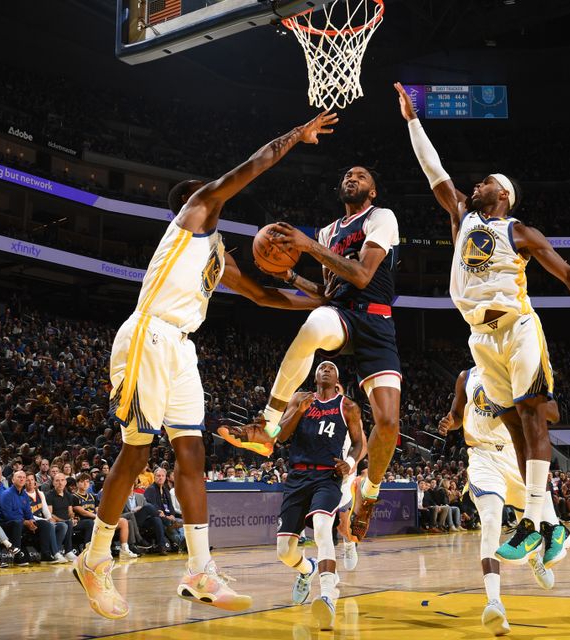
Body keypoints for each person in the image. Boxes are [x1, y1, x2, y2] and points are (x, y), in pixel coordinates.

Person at [73, 110, 337, 620]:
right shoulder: (194, 214)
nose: (216, 194)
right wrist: (295, 138)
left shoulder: (213, 252)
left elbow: (262, 295)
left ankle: (198, 570)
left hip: (181, 347)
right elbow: (253, 165)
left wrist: (322, 299)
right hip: (148, 334)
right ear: (197, 199)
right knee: (136, 453)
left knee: (192, 456)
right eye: (210, 190)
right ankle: (95, 558)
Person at [394, 82, 570, 561]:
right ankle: (549, 525)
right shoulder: (462, 217)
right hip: (479, 337)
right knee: (514, 424)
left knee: (533, 413)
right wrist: (413, 121)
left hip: (517, 326)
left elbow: (566, 271)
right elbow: (434, 170)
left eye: (483, 183)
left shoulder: (517, 231)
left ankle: (534, 521)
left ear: (502, 193)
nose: (473, 186)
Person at [254, 163, 402, 543]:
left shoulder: (381, 217)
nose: (351, 178)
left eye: (361, 176)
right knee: (316, 323)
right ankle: (267, 423)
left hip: (376, 321)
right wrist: (289, 277)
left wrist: (309, 247)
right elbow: (325, 295)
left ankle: (368, 493)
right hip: (342, 315)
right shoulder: (327, 232)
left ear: (372, 191)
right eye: (347, 175)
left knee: (387, 424)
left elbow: (363, 276)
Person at [229, 361, 365, 630]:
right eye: (322, 367)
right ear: (314, 376)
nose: (326, 369)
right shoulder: (300, 399)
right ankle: (306, 569)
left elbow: (360, 442)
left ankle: (328, 595)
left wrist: (349, 463)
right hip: (298, 476)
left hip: (328, 476)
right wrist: (298, 412)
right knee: (284, 552)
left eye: (331, 367)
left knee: (324, 528)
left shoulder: (348, 406)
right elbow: (280, 435)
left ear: (337, 377)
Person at [439, 367, 557, 636]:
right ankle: (494, 601)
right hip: (483, 456)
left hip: (516, 453)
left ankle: (532, 557)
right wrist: (450, 422)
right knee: (490, 520)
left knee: (527, 523)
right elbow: (458, 415)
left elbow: (553, 412)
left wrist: (528, 401)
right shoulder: (465, 377)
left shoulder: (516, 370)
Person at [0, 469, 57, 565]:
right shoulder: (6, 494)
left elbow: (28, 512)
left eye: (24, 477)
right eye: (19, 477)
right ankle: (18, 556)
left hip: (21, 522)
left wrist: (31, 520)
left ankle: (45, 554)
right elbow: (8, 515)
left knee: (45, 524)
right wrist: (25, 522)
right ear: (13, 480)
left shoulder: (24, 494)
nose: (22, 479)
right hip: (5, 524)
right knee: (17, 523)